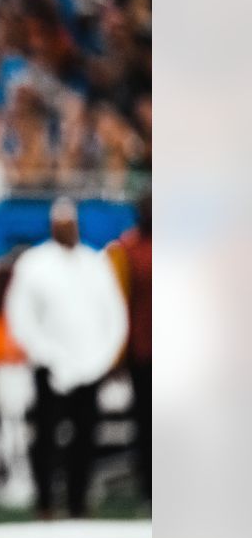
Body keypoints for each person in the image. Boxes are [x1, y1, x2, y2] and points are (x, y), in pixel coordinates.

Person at [4, 197, 127, 518]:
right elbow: (20, 317)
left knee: (85, 435)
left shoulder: (95, 262)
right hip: (50, 366)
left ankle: (78, 500)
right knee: (46, 435)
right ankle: (45, 500)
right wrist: (49, 356)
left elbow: (114, 315)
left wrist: (102, 357)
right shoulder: (34, 263)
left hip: (91, 365)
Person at [106, 192, 151, 502]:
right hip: (143, 349)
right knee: (146, 419)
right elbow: (116, 302)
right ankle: (149, 483)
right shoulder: (126, 250)